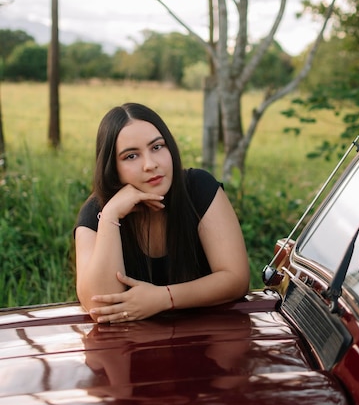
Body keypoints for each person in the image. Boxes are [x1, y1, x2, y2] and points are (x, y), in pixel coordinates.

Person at [75, 103, 250, 323]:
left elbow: (236, 279)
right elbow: (100, 305)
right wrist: (110, 216)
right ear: (112, 168)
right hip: (131, 349)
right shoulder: (97, 212)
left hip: (206, 339)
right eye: (131, 156)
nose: (150, 164)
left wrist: (163, 298)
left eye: (157, 147)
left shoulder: (198, 188)